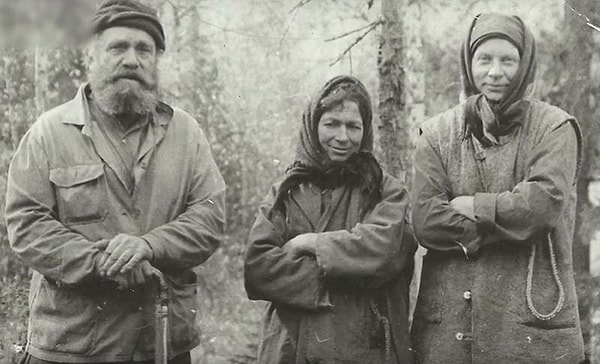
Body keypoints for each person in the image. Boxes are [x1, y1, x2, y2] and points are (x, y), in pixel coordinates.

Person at [5, 0, 226, 363]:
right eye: (117, 47)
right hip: (72, 346)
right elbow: (26, 225)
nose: (131, 60)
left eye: (144, 49)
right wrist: (103, 263)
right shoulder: (49, 132)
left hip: (161, 343)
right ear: (92, 55)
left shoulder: (186, 132)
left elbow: (211, 216)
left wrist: (150, 246)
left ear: (156, 60)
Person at [410, 13, 585, 363]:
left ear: (524, 64)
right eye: (484, 59)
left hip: (530, 325)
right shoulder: (436, 134)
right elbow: (425, 220)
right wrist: (508, 222)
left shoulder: (554, 128)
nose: (495, 72)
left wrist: (473, 205)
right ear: (468, 62)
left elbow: (540, 207)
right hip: (450, 333)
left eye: (508, 60)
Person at [244, 75, 416, 364]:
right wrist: (347, 270)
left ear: (366, 130)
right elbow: (258, 269)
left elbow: (383, 252)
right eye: (331, 124)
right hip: (291, 348)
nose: (342, 137)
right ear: (313, 125)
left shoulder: (386, 190)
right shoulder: (286, 191)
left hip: (362, 348)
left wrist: (309, 243)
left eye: (353, 126)